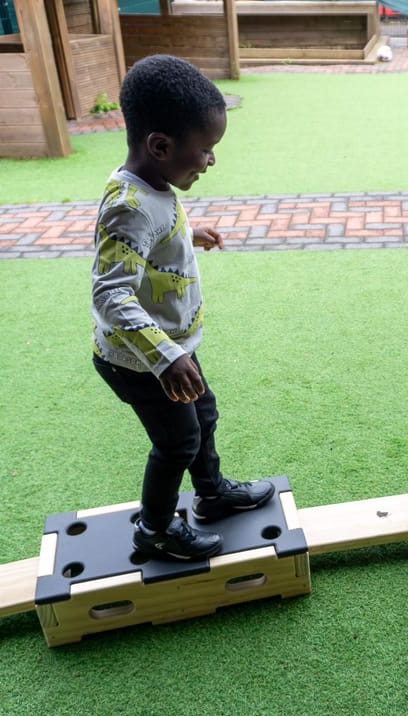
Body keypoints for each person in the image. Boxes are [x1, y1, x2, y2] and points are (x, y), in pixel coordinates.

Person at [91, 54, 273, 560]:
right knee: (176, 444)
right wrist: (166, 357)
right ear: (161, 146)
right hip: (140, 361)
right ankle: (154, 532)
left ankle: (211, 495)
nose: (210, 160)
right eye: (206, 149)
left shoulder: (153, 185)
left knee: (203, 416)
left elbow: (148, 235)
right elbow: (109, 293)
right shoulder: (128, 204)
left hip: (172, 349)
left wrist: (185, 233)